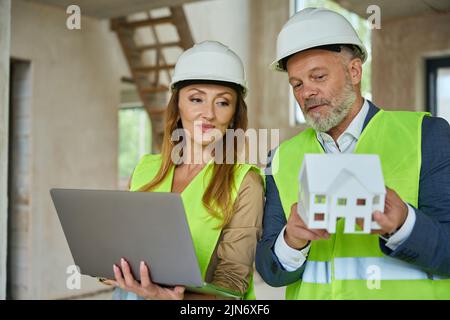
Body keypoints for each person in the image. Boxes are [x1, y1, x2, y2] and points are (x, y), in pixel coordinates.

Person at [255, 8, 450, 299]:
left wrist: (404, 224)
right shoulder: (280, 159)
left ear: (355, 71)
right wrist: (291, 240)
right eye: (297, 84)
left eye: (318, 76)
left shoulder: (426, 135)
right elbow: (270, 271)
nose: (306, 92)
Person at [102, 41, 264, 300]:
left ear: (234, 115)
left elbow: (232, 282)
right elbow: (126, 245)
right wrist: (110, 265)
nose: (208, 114)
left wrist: (167, 297)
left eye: (222, 103)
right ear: (178, 106)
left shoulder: (246, 182)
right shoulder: (145, 169)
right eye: (196, 99)